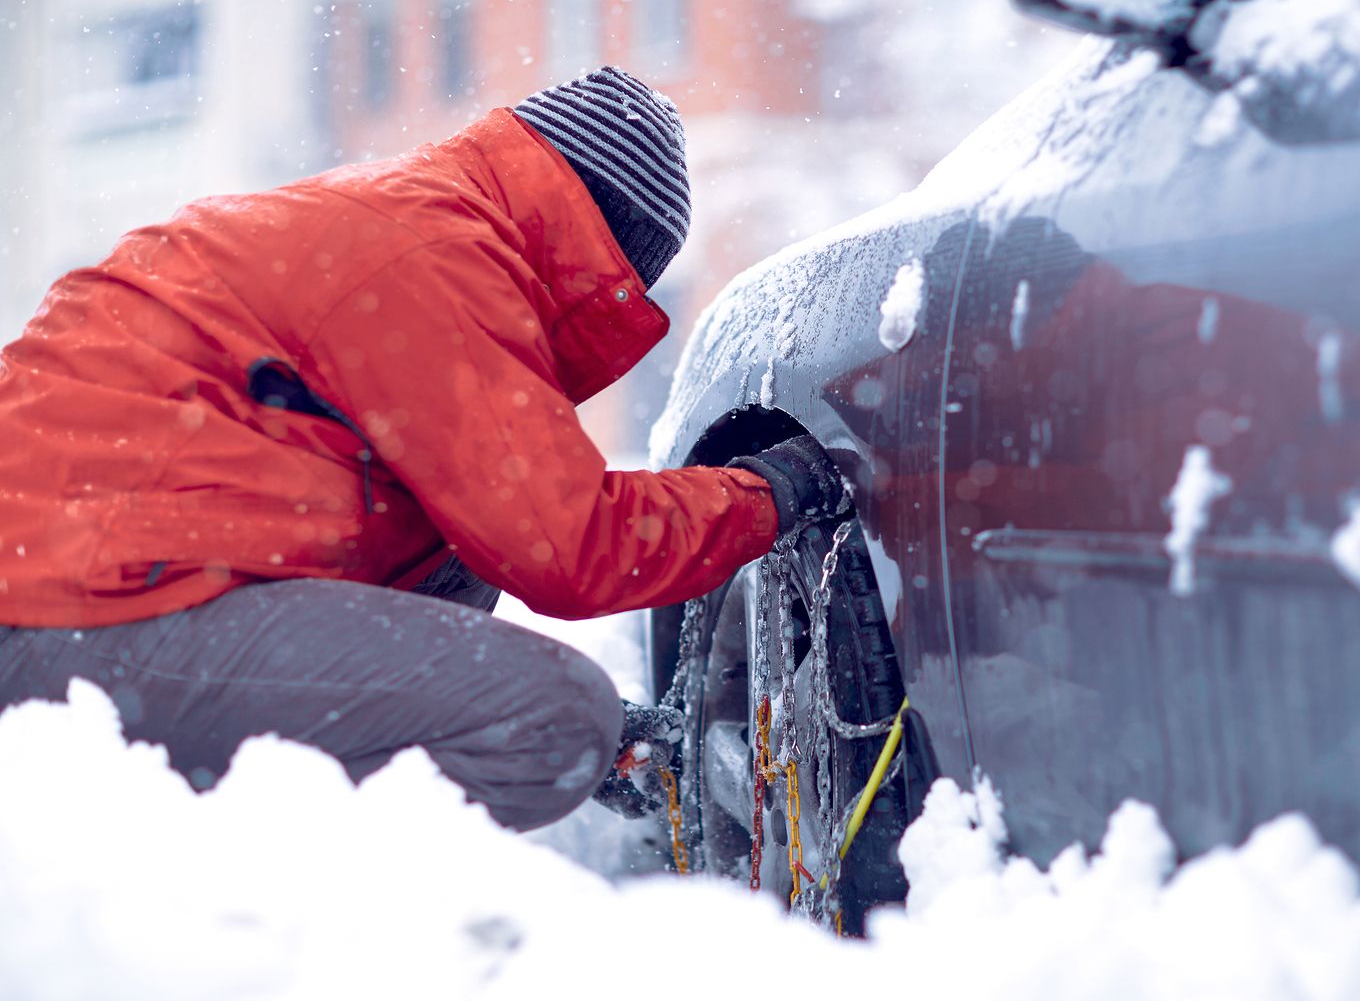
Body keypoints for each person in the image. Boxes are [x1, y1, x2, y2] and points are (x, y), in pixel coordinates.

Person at [0, 66, 847, 830]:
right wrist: (771, 492)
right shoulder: (440, 261)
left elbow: (507, 530)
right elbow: (575, 548)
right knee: (559, 721)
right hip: (70, 617)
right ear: (604, 253)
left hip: (81, 588)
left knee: (461, 541)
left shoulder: (404, 219)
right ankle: (281, 934)